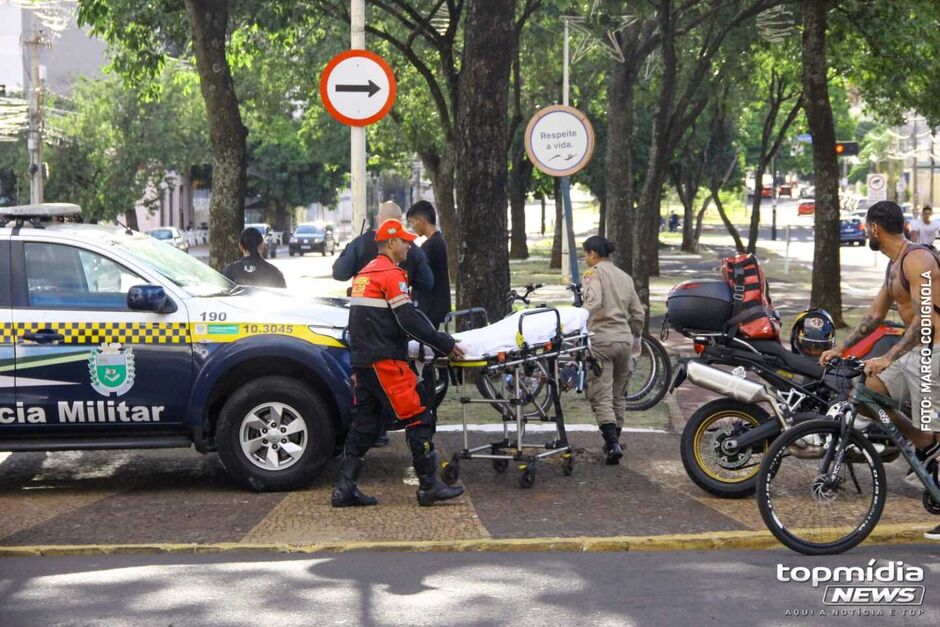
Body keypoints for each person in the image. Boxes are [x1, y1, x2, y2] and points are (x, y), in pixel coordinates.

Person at [818, 201, 940, 542]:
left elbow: (926, 317)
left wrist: (889, 356)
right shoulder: (894, 265)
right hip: (918, 350)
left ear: (875, 228)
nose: (863, 231)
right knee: (869, 388)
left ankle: (932, 445)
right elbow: (874, 315)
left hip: (936, 352)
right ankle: (923, 443)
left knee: (935, 424)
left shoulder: (919, 260)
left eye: (865, 227)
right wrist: (840, 349)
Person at [332, 219, 466, 508]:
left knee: (366, 423)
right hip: (384, 360)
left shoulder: (364, 275)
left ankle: (345, 488)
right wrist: (444, 343)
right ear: (391, 243)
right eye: (404, 241)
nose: (409, 245)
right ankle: (428, 486)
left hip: (363, 360)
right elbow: (408, 318)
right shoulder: (392, 275)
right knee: (419, 414)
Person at [581, 235, 646, 464]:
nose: (585, 258)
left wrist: (578, 318)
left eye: (585, 254)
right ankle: (615, 439)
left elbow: (593, 302)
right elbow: (638, 313)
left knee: (601, 393)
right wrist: (636, 335)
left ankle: (611, 443)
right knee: (619, 394)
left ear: (593, 254)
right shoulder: (625, 277)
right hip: (624, 341)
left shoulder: (593, 273)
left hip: (601, 341)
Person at [406, 200, 451, 328]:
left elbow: (417, 272)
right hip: (434, 306)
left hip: (429, 307)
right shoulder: (438, 241)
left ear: (421, 220)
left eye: (412, 222)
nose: (412, 227)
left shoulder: (431, 245)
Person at [222, 227, 286, 288]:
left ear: (240, 246)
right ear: (262, 245)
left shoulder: (228, 271)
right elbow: (283, 297)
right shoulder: (275, 272)